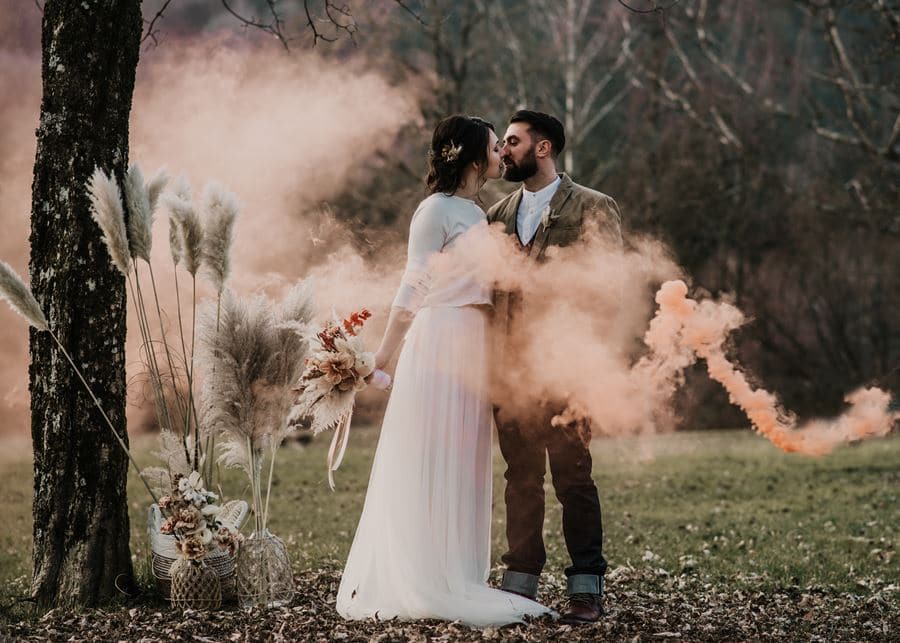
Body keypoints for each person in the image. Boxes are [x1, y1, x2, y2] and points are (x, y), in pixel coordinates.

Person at [336, 115, 553, 627]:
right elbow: (413, 287)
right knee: (430, 453)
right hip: (439, 340)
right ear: (474, 157)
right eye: (496, 147)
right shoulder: (434, 211)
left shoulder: (476, 214)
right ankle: (424, 576)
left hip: (473, 346)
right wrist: (380, 359)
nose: (504, 154)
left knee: (463, 460)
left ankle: (456, 571)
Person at [487, 109, 622, 625]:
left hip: (567, 369)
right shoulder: (496, 214)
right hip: (508, 373)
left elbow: (611, 292)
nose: (504, 151)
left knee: (574, 479)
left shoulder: (592, 207)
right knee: (520, 477)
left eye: (514, 142)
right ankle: (519, 585)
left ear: (542, 149)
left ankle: (586, 588)